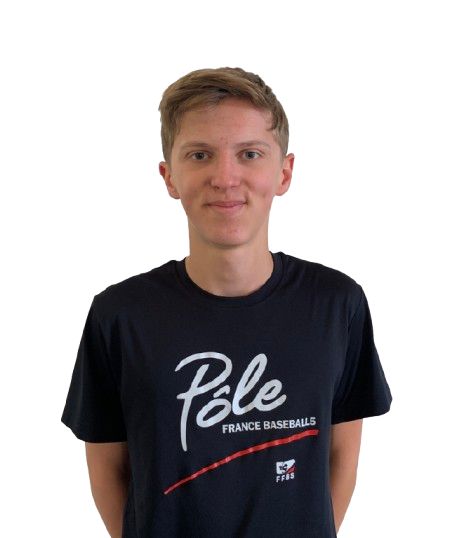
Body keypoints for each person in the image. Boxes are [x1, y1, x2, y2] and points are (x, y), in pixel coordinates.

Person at [61, 66, 393, 538]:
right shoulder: (120, 316)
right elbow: (107, 470)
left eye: (249, 154)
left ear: (284, 172)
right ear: (169, 176)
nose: (225, 177)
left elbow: (341, 457)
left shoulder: (337, 305)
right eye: (200, 155)